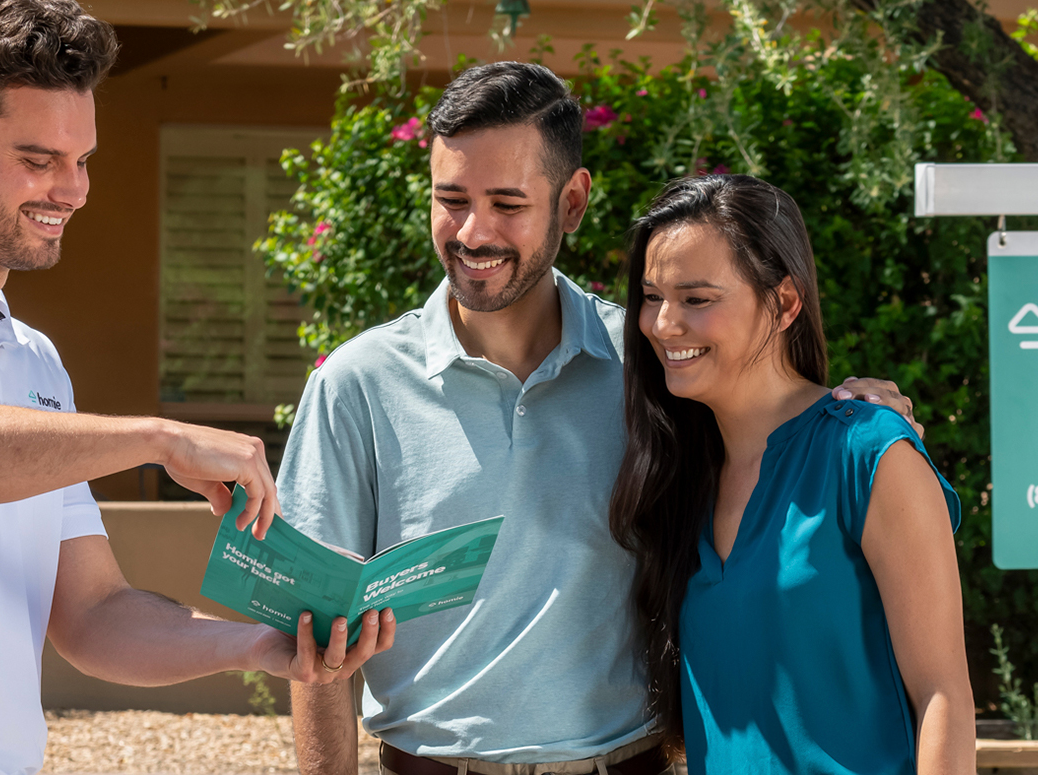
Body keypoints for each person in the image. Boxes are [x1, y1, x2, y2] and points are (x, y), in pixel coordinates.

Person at [278, 62, 918, 775]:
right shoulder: (355, 384)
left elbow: (774, 430)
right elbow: (313, 634)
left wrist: (856, 412)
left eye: (507, 203)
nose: (472, 231)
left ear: (573, 202)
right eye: (451, 198)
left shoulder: (656, 364)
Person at [0, 1, 393, 772]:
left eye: (81, 160)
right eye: (39, 159)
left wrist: (261, 646)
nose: (73, 190)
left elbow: (93, 614)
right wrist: (157, 436)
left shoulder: (35, 361)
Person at [609, 174, 974, 773]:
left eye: (697, 299)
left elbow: (945, 701)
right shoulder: (680, 476)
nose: (663, 324)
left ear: (784, 304)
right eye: (652, 296)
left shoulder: (868, 452)